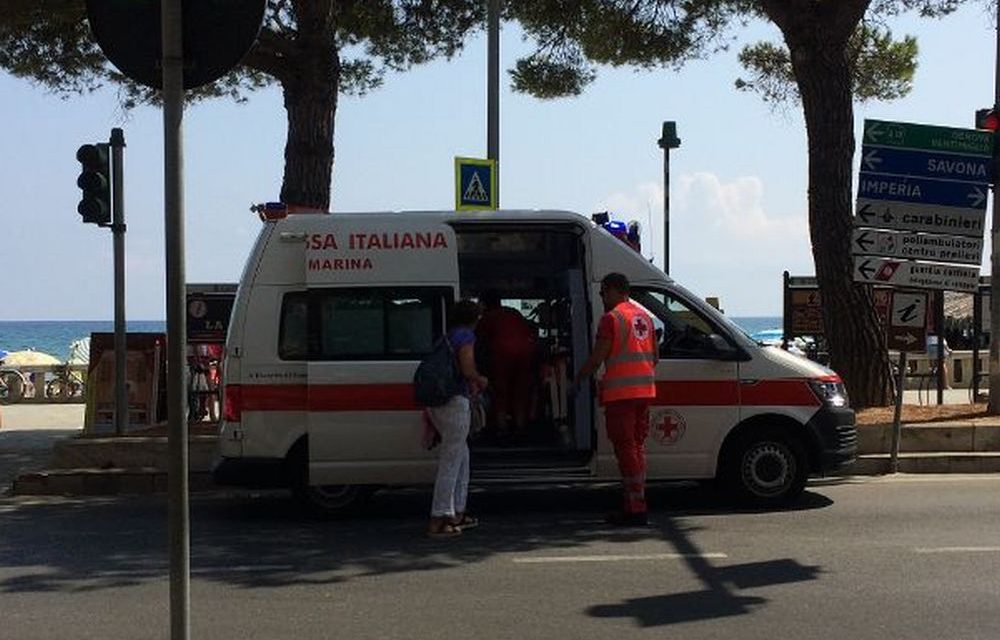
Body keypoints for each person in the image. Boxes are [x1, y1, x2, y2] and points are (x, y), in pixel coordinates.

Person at [572, 273, 658, 526]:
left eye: (603, 293)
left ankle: (635, 507)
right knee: (637, 447)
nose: (601, 298)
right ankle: (636, 501)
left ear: (614, 291)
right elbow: (655, 356)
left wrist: (578, 379)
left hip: (621, 395)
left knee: (625, 449)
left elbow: (598, 357)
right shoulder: (644, 318)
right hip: (645, 392)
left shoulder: (611, 319)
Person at [427, 299, 489, 538]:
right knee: (451, 462)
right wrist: (481, 379)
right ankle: (439, 519)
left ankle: (457, 512)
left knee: (461, 456)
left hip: (440, 404)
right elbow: (467, 370)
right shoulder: (465, 337)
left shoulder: (448, 335)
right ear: (475, 318)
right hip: (455, 402)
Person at [476, 291, 537, 439]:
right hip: (526, 352)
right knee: (520, 391)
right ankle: (520, 428)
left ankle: (502, 429)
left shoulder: (487, 318)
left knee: (500, 392)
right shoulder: (514, 312)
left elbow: (478, 342)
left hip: (501, 353)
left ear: (485, 304)